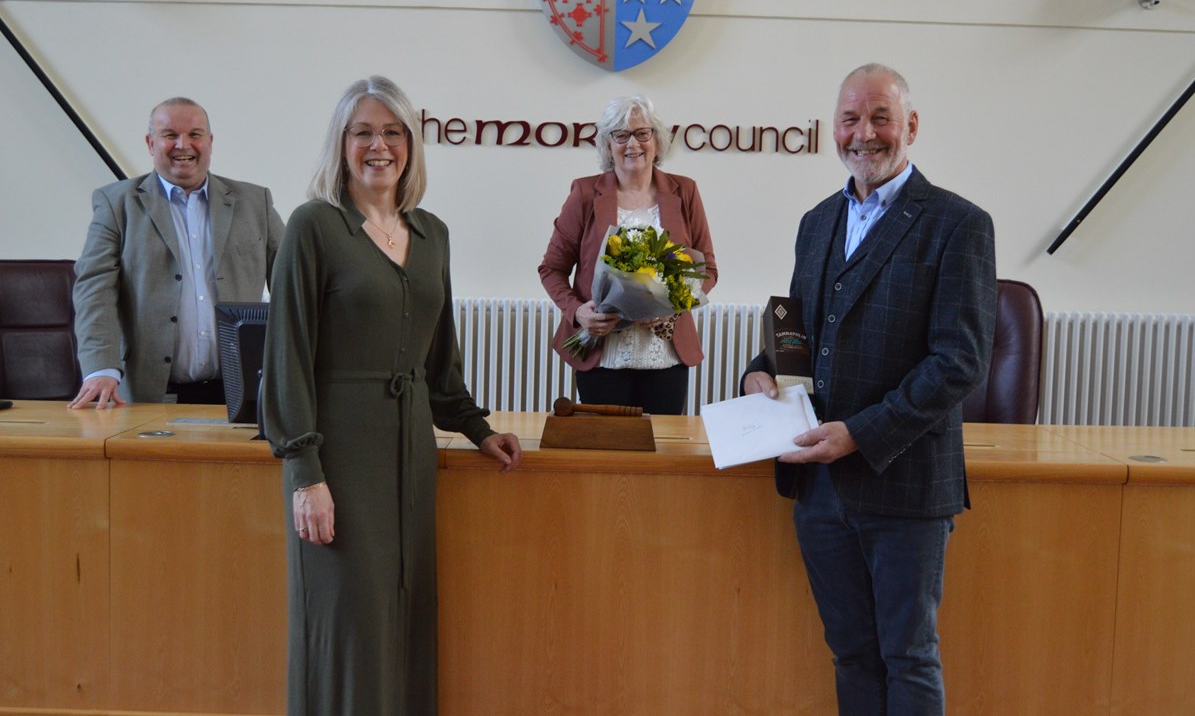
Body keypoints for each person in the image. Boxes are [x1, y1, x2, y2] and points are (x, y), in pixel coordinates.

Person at [260, 75, 523, 715]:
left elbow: (441, 363)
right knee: (349, 621)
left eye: (393, 132)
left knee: (406, 613)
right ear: (341, 145)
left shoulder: (432, 234)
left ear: (411, 144)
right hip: (339, 456)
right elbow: (285, 354)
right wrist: (304, 470)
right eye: (363, 133)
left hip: (410, 453)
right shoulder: (314, 226)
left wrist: (477, 427)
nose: (379, 145)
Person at [742, 63, 996, 714]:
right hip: (820, 489)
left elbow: (960, 360)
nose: (865, 134)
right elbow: (794, 330)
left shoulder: (959, 224)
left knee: (908, 658)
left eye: (881, 117)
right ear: (835, 128)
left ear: (911, 126)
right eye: (851, 119)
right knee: (851, 654)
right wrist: (761, 369)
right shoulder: (816, 220)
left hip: (905, 484)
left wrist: (860, 433)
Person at [70, 97, 284, 407]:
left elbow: (294, 282)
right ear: (150, 143)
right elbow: (94, 289)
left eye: (195, 134)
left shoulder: (255, 202)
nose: (183, 145)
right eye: (170, 135)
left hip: (242, 391)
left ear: (210, 142)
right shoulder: (117, 204)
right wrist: (101, 368)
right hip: (150, 396)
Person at [538, 94, 717, 415]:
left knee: (662, 454)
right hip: (602, 353)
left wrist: (674, 306)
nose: (632, 143)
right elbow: (551, 268)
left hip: (666, 355)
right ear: (607, 145)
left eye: (641, 133)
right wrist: (578, 312)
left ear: (657, 141)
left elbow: (708, 269)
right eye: (620, 135)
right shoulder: (584, 193)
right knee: (608, 456)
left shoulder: (684, 191)